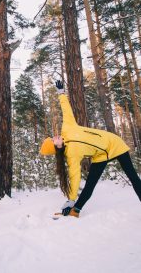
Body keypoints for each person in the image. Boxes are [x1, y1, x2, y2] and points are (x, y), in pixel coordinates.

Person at [40, 80, 141, 217]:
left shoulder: (67, 128)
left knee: (133, 178)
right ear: (55, 147)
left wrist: (61, 94)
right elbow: (74, 176)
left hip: (114, 144)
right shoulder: (71, 156)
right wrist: (71, 200)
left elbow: (66, 110)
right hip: (100, 155)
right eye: (52, 140)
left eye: (52, 137)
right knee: (90, 184)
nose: (54, 137)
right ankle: (75, 210)